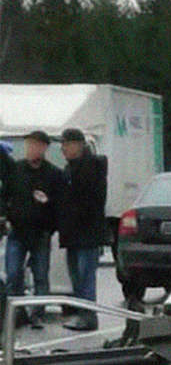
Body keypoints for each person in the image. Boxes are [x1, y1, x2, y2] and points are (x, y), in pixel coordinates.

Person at [1, 131, 63, 328]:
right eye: (30, 145)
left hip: (40, 233)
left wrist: (49, 211)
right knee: (13, 274)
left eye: (36, 145)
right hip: (17, 231)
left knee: (41, 277)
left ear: (44, 148)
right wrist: (5, 217)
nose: (32, 149)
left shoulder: (53, 174)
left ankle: (37, 314)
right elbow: (4, 195)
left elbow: (60, 206)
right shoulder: (16, 170)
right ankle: (15, 314)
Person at [58, 128, 108, 331]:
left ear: (78, 145)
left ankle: (88, 315)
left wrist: (70, 210)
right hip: (72, 234)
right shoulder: (69, 169)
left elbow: (91, 200)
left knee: (85, 275)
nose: (63, 149)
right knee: (76, 278)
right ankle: (81, 313)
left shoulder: (91, 167)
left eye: (67, 144)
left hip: (87, 232)